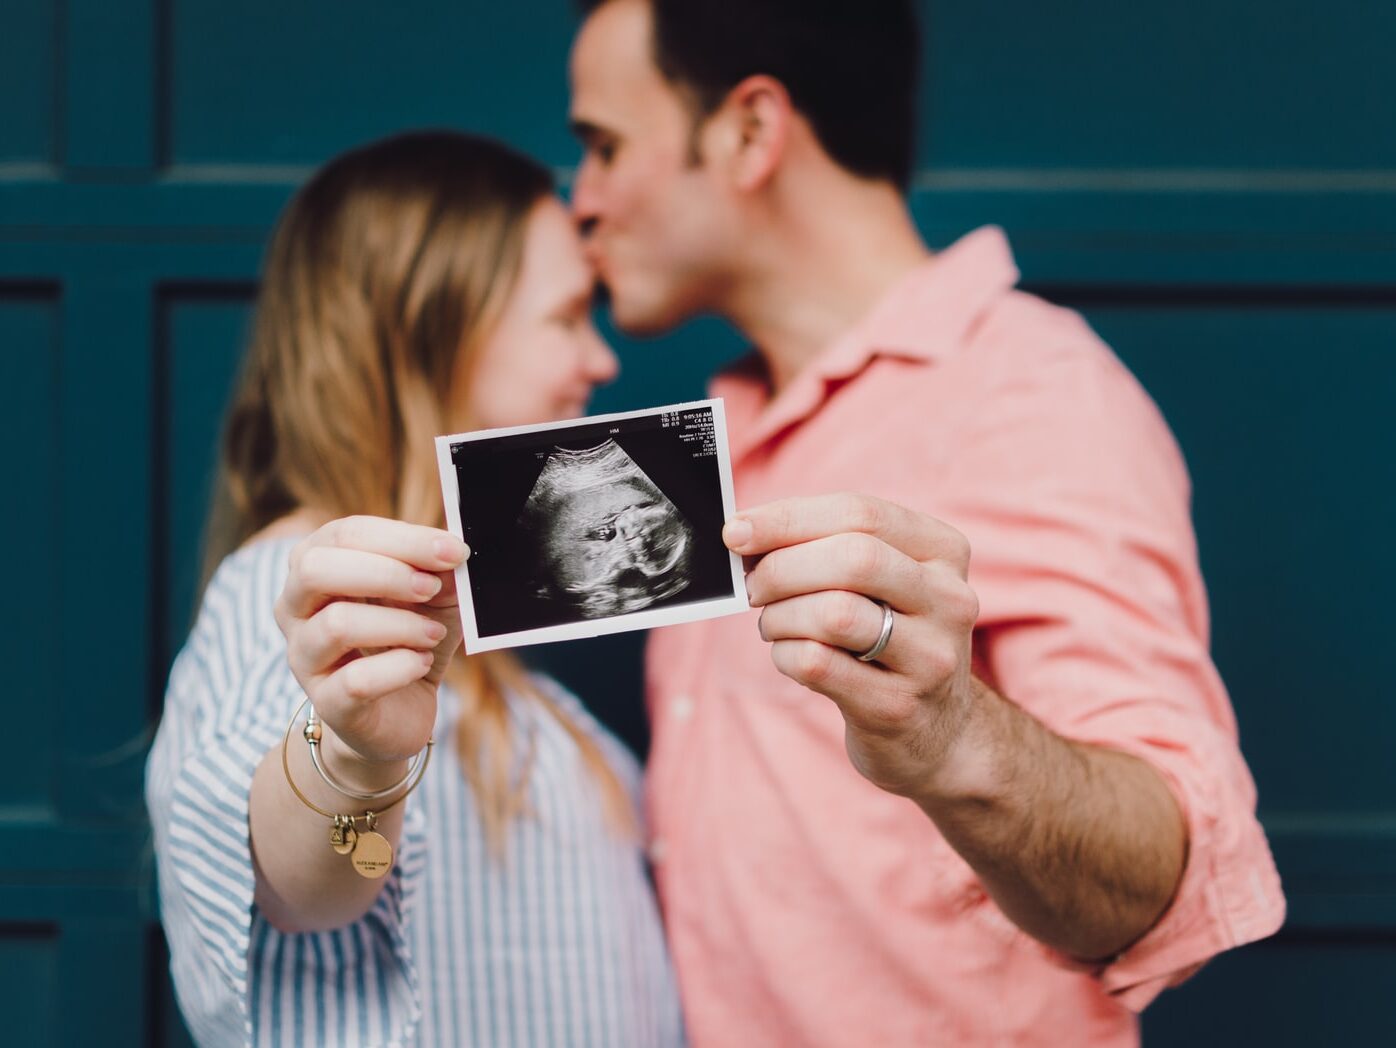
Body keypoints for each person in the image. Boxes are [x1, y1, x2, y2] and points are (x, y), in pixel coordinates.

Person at [566, 1, 1286, 1044]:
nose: (578, 201)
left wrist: (950, 735)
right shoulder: (710, 440)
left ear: (749, 132)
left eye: (603, 145)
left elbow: (1163, 878)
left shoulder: (1027, 392)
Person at [145, 130, 684, 1047]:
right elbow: (295, 883)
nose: (601, 361)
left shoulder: (486, 651)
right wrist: (356, 761)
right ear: (427, 336)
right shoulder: (299, 601)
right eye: (563, 318)